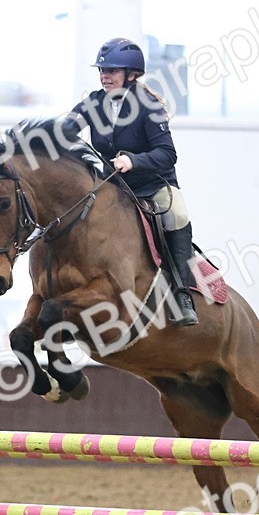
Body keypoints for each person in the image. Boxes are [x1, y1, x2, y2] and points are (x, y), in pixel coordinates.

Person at [70, 38, 198, 327]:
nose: (104, 76)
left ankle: (182, 294)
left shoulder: (149, 106)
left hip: (152, 185)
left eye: (112, 71)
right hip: (112, 185)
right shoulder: (94, 102)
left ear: (131, 74)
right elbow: (66, 128)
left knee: (178, 214)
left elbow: (168, 154)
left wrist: (134, 161)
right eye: (102, 70)